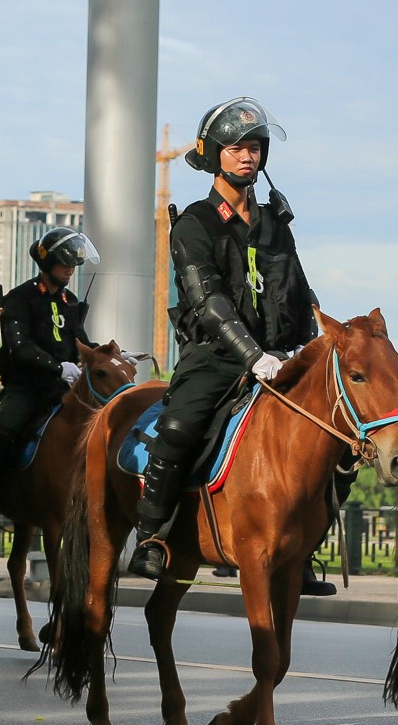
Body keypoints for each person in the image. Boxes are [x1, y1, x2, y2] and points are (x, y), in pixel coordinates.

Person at [126, 98, 320, 582]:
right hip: (216, 356)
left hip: (278, 357)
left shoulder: (275, 223)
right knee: (179, 428)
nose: (247, 156)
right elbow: (208, 302)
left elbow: (298, 289)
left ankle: (306, 542)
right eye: (236, 148)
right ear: (214, 155)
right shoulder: (194, 222)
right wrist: (252, 357)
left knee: (332, 430)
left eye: (254, 148)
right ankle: (152, 534)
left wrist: (313, 345)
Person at [0, 228, 98, 490]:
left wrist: (112, 355)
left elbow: (82, 342)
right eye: (65, 262)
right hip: (28, 387)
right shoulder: (20, 298)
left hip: (64, 389)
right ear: (48, 262)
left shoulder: (70, 301)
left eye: (74, 264)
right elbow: (20, 347)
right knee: (5, 428)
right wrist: (57, 367)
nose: (71, 269)